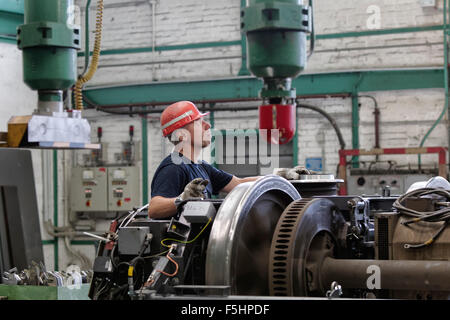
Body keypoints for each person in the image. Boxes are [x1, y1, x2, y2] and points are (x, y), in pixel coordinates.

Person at [148, 101, 261, 219]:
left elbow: (239, 184)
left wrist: (275, 178)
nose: (208, 125)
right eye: (198, 123)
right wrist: (183, 199)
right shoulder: (174, 167)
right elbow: (154, 209)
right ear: (182, 135)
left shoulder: (202, 167)